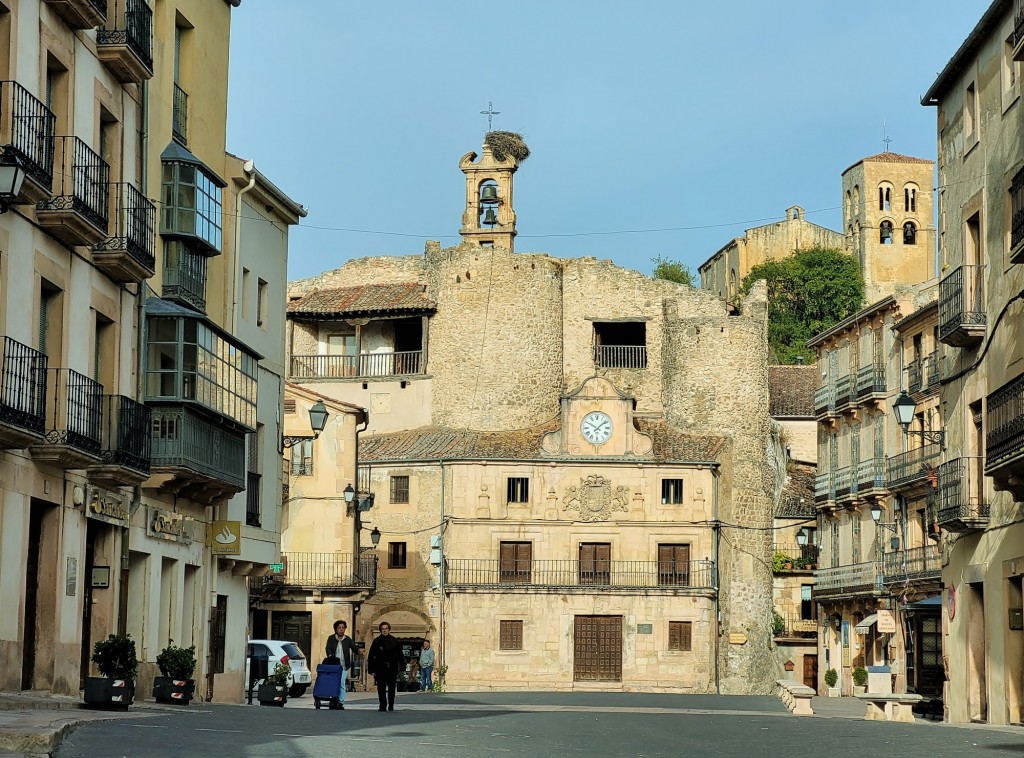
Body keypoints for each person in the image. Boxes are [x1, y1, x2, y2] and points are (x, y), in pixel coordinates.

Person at [366, 621, 404, 711]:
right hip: (380, 667)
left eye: (386, 628)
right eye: (382, 629)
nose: (384, 630)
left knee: (391, 688)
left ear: (389, 629)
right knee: (381, 688)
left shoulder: (394, 641)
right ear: (380, 630)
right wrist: (371, 670)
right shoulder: (376, 641)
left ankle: (391, 705)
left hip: (392, 667)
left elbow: (400, 655)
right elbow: (371, 656)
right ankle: (382, 705)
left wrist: (402, 667)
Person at [325, 619, 355, 710]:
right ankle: (333, 699)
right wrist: (330, 655)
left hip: (344, 666)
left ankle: (340, 702)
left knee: (341, 683)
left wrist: (359, 651)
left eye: (343, 628)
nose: (341, 629)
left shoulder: (347, 639)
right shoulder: (331, 638)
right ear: (336, 629)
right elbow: (328, 648)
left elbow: (354, 648)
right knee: (334, 683)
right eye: (339, 628)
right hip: (334, 666)